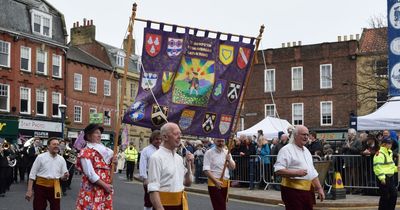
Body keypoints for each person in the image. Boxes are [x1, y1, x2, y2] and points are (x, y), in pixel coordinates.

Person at [274, 125, 325, 210]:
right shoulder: (286, 150)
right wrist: (296, 173)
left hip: (308, 191)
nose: (306, 137)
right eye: (303, 134)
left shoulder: (307, 151)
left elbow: (312, 172)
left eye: (307, 135)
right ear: (295, 135)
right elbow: (278, 170)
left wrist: (319, 188)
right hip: (292, 192)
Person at [148, 123, 194, 210]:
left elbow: (188, 183)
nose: (179, 137)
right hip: (164, 206)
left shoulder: (179, 158)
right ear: (165, 137)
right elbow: (153, 190)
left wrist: (189, 165)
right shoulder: (156, 158)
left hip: (180, 206)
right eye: (176, 134)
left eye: (180, 134)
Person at [75, 124, 115, 210]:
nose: (99, 135)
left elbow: (110, 172)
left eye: (100, 133)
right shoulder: (85, 151)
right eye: (96, 133)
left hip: (104, 190)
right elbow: (90, 174)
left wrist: (114, 164)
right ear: (89, 136)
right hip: (92, 189)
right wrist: (105, 186)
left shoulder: (106, 151)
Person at [25, 137, 69, 210]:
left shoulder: (61, 159)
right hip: (40, 186)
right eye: (54, 144)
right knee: (38, 207)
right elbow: (32, 175)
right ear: (48, 146)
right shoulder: (40, 157)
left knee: (56, 208)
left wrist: (65, 176)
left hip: (56, 186)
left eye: (58, 144)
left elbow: (63, 177)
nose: (56, 146)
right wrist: (29, 190)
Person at [203, 139, 235, 210]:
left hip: (225, 183)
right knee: (220, 206)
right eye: (218, 141)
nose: (220, 143)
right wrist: (215, 181)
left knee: (221, 206)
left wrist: (229, 160)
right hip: (213, 183)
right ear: (214, 141)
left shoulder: (227, 152)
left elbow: (233, 167)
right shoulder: (209, 153)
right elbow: (206, 170)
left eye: (222, 141)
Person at [373, 138, 398, 210]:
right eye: (389, 143)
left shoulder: (389, 153)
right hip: (383, 178)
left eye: (391, 143)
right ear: (384, 144)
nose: (390, 145)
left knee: (394, 195)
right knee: (385, 196)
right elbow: (377, 167)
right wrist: (382, 178)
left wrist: (397, 169)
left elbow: (390, 167)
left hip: (390, 177)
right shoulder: (379, 154)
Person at [139, 130, 162, 210]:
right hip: (150, 176)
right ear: (152, 139)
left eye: (160, 139)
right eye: (156, 139)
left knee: (159, 199)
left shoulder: (163, 150)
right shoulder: (146, 150)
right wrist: (145, 178)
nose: (158, 141)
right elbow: (142, 164)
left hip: (161, 177)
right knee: (148, 199)